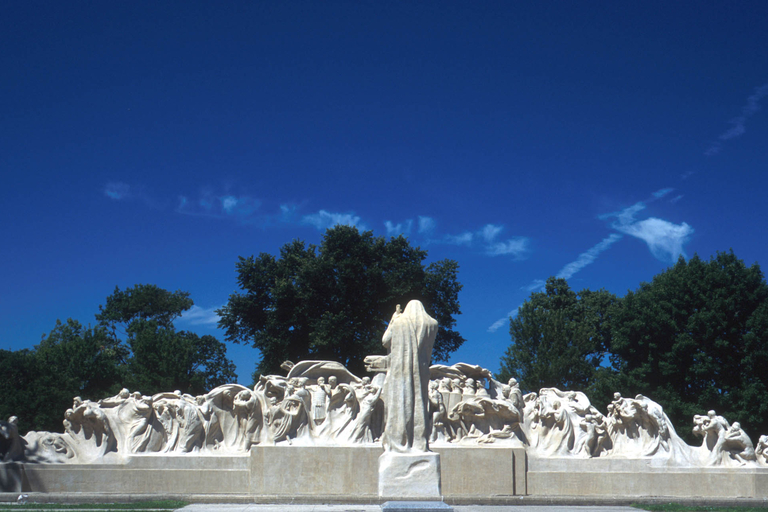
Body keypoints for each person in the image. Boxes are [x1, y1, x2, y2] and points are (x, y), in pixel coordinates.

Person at [381, 300, 438, 453]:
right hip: (422, 370)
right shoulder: (432, 324)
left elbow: (385, 341)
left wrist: (393, 320)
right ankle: (419, 442)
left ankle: (400, 439)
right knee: (420, 405)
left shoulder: (400, 321)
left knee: (401, 404)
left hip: (401, 370)